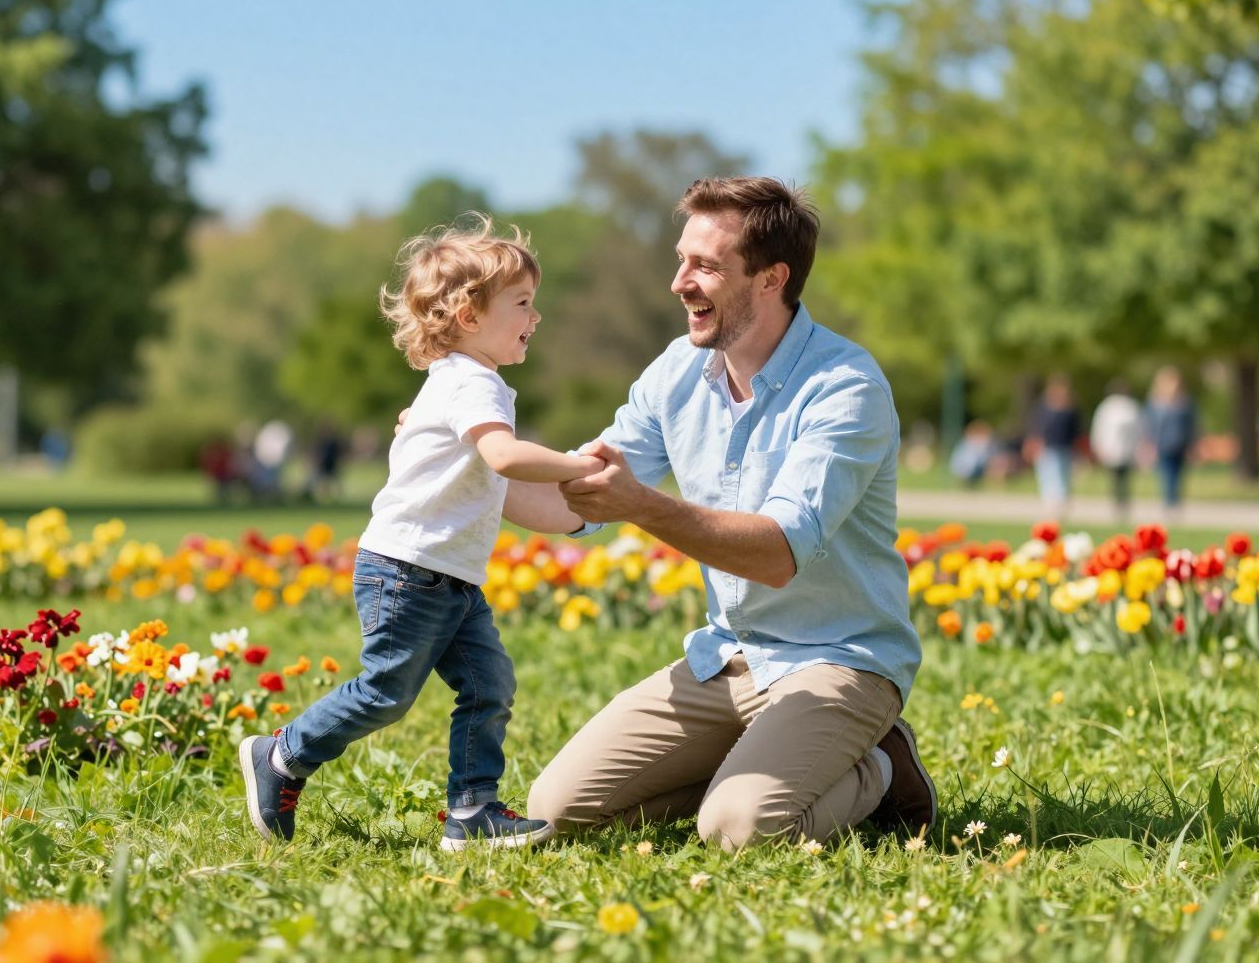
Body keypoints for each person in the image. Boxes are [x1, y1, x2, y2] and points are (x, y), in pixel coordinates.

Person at [507, 177, 935, 851]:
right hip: (728, 661)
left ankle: (882, 768)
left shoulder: (844, 387)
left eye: (705, 265)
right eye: (682, 260)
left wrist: (642, 505)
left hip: (839, 661)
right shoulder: (677, 371)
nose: (679, 283)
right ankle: (754, 768)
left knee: (739, 829)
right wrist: (469, 468)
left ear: (771, 279)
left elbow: (777, 555)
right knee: (554, 810)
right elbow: (580, 495)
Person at [238, 216, 602, 850]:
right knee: (386, 692)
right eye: (522, 303)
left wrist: (584, 507)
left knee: (490, 685)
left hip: (448, 579)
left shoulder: (460, 383)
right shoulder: (472, 383)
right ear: (467, 314)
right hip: (407, 572)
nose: (534, 317)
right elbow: (507, 460)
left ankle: (471, 812)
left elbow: (496, 480)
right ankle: (281, 756)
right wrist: (583, 464)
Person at [1144, 366, 1197, 514]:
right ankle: (1169, 500)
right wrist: (1149, 443)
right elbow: (1151, 425)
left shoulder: (1184, 402)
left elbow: (1191, 425)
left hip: (1180, 443)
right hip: (1164, 444)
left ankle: (1174, 499)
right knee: (1166, 472)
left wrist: (1193, 443)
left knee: (1178, 473)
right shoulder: (1156, 402)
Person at [1027, 374, 1081, 517]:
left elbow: (1075, 431)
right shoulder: (1044, 409)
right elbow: (1036, 428)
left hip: (1064, 447)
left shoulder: (1069, 411)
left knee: (1063, 477)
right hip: (1048, 448)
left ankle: (1061, 504)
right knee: (1049, 476)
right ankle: (1051, 504)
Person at [1090, 380, 1143, 522]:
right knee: (1117, 479)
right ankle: (1118, 503)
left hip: (1123, 450)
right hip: (1114, 450)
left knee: (1122, 479)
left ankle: (1122, 503)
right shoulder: (1114, 408)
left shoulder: (1126, 407)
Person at [949, 420, 995, 487]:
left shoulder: (965, 443)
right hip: (966, 469)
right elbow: (972, 462)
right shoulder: (970, 445)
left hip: (965, 468)